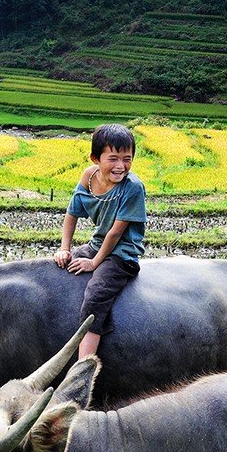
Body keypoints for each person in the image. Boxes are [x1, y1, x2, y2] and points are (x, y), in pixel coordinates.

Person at [54, 124, 146, 359]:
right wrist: (65, 249)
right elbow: (72, 212)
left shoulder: (132, 188)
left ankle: (83, 365)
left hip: (121, 253)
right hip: (97, 244)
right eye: (113, 158)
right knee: (59, 269)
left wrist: (93, 263)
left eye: (127, 159)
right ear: (95, 158)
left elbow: (115, 233)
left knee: (96, 295)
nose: (120, 166)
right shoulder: (89, 175)